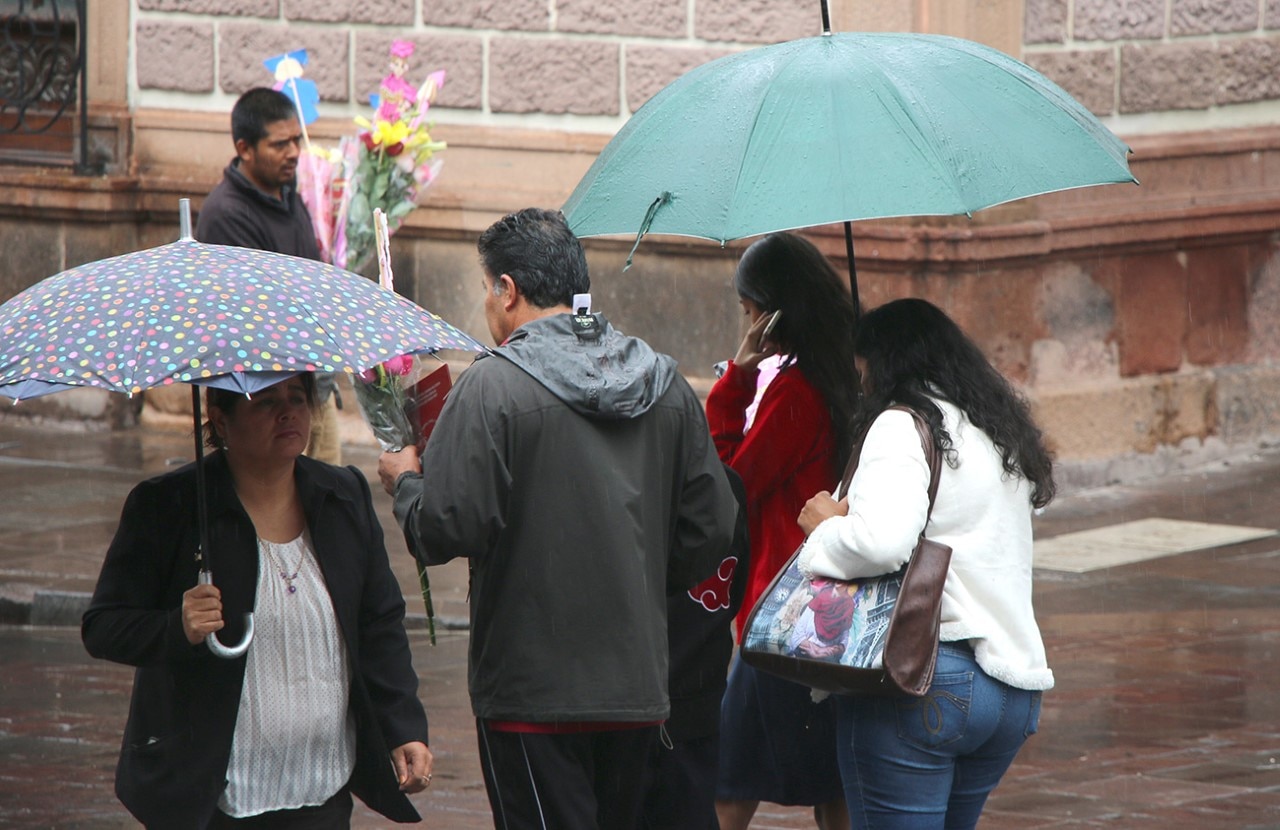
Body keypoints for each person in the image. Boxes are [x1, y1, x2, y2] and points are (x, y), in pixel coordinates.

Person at [377, 207, 737, 830]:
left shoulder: (492, 386)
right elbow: (711, 530)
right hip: (637, 689)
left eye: (487, 290)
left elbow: (444, 528)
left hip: (531, 694)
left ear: (507, 290)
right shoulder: (665, 380)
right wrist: (636, 576)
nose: (488, 308)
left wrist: (406, 482)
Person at [82, 374, 432, 829]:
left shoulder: (341, 495)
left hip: (323, 788)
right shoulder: (168, 506)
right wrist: (177, 627)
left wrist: (402, 725)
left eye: (297, 398)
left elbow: (379, 622)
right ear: (220, 419)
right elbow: (103, 626)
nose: (287, 413)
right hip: (214, 797)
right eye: (265, 402)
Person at [797, 298, 1056, 829]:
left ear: (884, 362)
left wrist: (824, 526)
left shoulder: (901, 423)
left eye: (862, 367)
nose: (860, 381)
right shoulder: (993, 426)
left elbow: (880, 544)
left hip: (924, 680)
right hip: (1010, 689)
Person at [705, 232, 857, 830]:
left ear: (772, 315)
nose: (745, 329)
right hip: (825, 607)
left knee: (730, 779)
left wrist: (735, 380)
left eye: (749, 314)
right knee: (833, 781)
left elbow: (731, 486)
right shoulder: (838, 375)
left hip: (782, 609)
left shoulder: (796, 392)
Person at [195, 86, 343, 466]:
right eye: (280, 144)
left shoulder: (289, 195)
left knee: (326, 497)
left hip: (309, 386)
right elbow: (258, 314)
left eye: (296, 140)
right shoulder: (227, 214)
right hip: (263, 400)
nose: (294, 152)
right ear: (245, 148)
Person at [640, 464, 750, 830]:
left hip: (633, 697)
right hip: (692, 693)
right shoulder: (722, 483)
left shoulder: (619, 475)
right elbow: (732, 592)